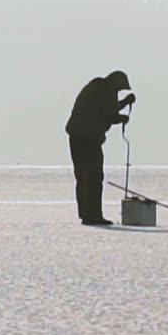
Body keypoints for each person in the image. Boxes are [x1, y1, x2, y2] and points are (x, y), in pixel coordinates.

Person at [65, 70, 136, 225]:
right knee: (93, 177)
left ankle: (85, 214)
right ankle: (93, 216)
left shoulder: (96, 88)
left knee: (82, 177)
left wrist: (123, 103)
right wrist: (122, 117)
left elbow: (107, 109)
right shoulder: (106, 91)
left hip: (76, 137)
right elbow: (108, 115)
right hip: (88, 139)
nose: (118, 91)